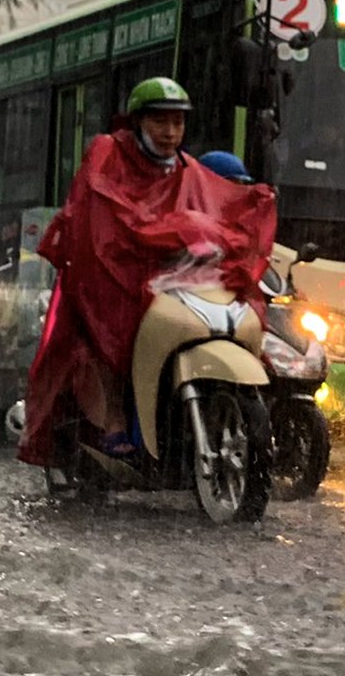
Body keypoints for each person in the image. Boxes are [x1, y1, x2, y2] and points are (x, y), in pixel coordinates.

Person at [20, 77, 275, 463]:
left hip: (169, 278)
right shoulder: (107, 152)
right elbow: (102, 206)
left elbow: (215, 208)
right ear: (138, 122)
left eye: (178, 123)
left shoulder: (188, 168)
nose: (170, 133)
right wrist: (149, 232)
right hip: (107, 271)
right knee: (107, 331)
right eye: (160, 122)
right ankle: (114, 422)